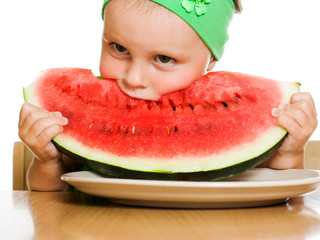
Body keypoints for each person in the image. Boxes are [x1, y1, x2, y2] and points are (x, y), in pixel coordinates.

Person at [18, 0, 317, 191]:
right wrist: (46, 162)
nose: (133, 79)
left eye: (163, 58)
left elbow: (281, 195)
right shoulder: (75, 119)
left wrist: (289, 152)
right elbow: (50, 199)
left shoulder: (246, 121)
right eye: (119, 49)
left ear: (209, 63)